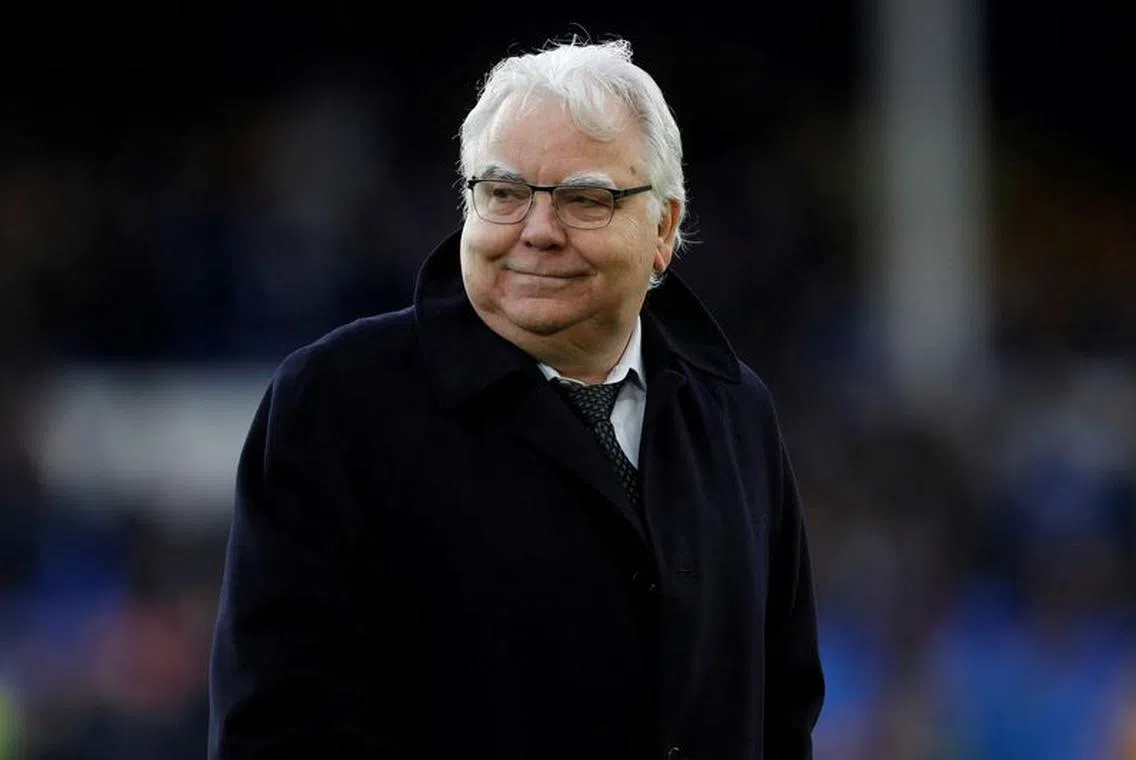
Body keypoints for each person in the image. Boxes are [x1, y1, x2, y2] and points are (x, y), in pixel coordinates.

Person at [208, 36, 824, 760]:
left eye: (584, 199)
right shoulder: (337, 403)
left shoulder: (735, 414)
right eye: (503, 194)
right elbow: (279, 730)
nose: (536, 231)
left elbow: (781, 714)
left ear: (663, 227)